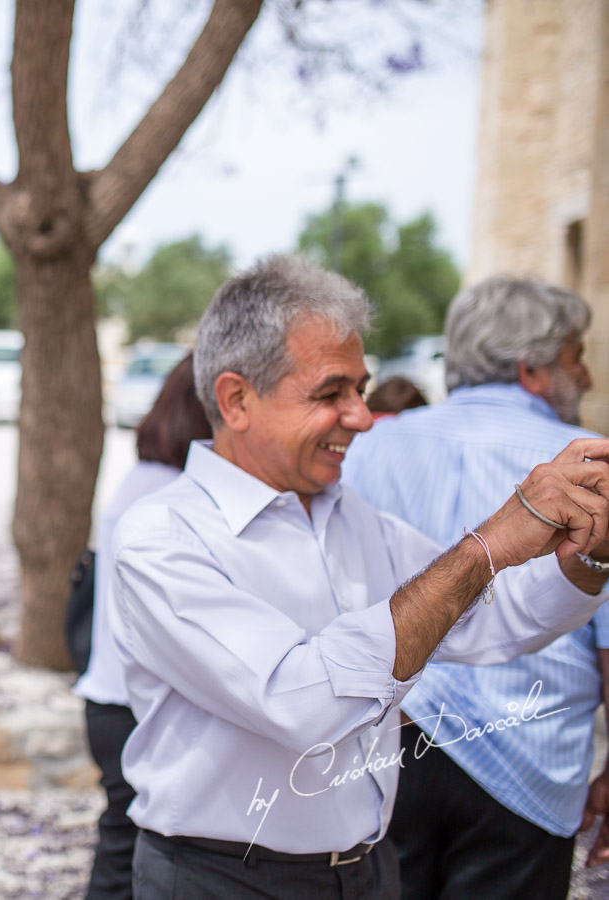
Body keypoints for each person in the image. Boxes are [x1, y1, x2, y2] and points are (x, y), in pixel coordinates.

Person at [109, 255, 609, 900]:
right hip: (227, 880)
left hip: (368, 871)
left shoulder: (350, 516)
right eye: (330, 393)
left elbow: (492, 618)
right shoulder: (163, 537)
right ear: (237, 400)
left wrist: (588, 556)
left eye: (361, 390)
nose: (363, 418)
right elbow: (301, 702)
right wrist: (488, 544)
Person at [342, 275, 609, 899]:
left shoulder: (364, 449)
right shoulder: (588, 468)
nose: (588, 378)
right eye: (577, 356)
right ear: (532, 369)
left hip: (382, 743)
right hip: (529, 756)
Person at [74, 354, 212, 899]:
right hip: (132, 704)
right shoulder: (169, 495)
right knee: (128, 864)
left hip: (111, 698)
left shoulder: (143, 478)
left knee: (122, 852)